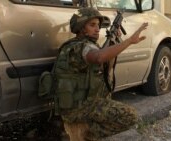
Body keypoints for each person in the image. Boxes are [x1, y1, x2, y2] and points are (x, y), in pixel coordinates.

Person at [53, 7, 148, 141]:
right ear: (81, 28)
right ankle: (88, 135)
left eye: (98, 25)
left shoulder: (73, 45)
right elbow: (98, 57)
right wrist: (129, 41)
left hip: (77, 105)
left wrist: (116, 40)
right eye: (92, 25)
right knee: (131, 116)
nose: (97, 29)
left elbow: (103, 63)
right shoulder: (80, 48)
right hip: (80, 109)